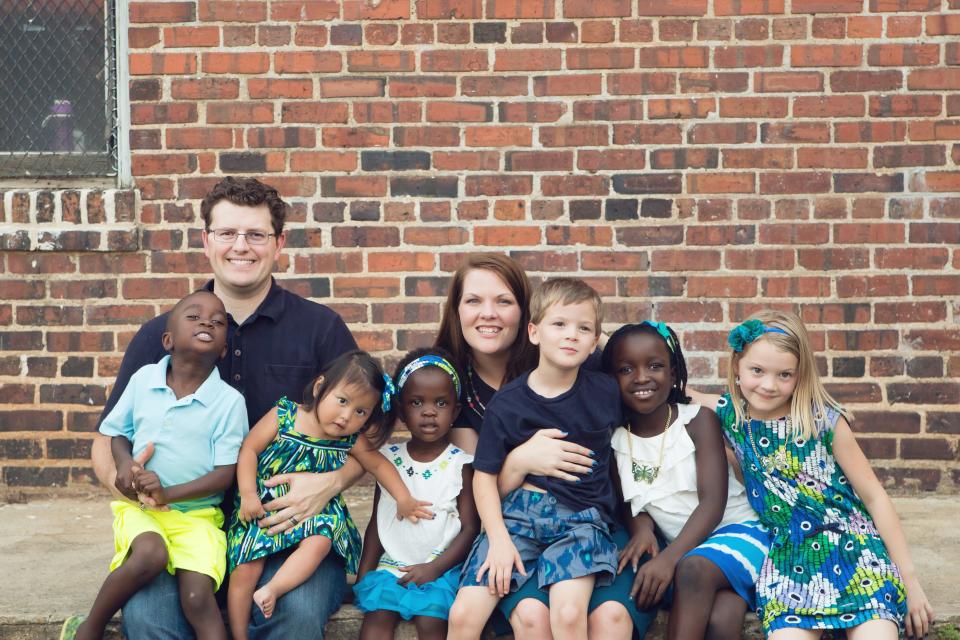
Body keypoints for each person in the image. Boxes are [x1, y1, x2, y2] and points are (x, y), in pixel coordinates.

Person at [90, 176, 361, 639]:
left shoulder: (321, 330)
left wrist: (330, 483)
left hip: (286, 524)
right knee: (150, 620)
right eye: (227, 233)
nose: (242, 246)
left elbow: (367, 433)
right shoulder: (162, 334)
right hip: (182, 524)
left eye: (256, 234)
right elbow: (106, 440)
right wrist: (133, 489)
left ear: (278, 244)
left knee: (292, 615)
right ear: (206, 241)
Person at [435, 254, 653, 639]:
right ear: (534, 332)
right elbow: (483, 478)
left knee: (569, 615)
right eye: (559, 325)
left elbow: (659, 401)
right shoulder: (506, 403)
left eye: (583, 329)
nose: (570, 334)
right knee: (465, 613)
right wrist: (498, 538)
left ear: (594, 342)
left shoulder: (604, 390)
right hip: (516, 519)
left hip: (581, 518)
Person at [697, 310, 934, 639]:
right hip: (790, 557)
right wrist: (601, 340)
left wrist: (911, 582)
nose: (768, 384)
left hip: (856, 549)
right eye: (757, 370)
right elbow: (670, 383)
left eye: (784, 374)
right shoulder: (732, 414)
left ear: (800, 375)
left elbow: (875, 497)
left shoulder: (823, 421)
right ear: (736, 365)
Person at [62, 291, 248, 640]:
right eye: (193, 317)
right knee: (150, 554)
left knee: (197, 599)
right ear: (168, 340)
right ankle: (89, 628)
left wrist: (169, 492)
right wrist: (124, 466)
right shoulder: (144, 380)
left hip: (198, 519)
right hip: (143, 512)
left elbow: (225, 475)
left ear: (224, 350)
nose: (207, 321)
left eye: (218, 321)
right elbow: (117, 433)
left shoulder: (229, 402)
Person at [227, 351, 431, 639]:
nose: (347, 416)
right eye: (343, 401)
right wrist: (248, 493)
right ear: (320, 386)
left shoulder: (350, 439)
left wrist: (403, 498)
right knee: (245, 567)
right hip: (264, 506)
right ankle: (238, 635)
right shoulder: (285, 415)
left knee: (320, 541)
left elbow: (377, 464)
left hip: (317, 512)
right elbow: (249, 449)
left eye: (360, 411)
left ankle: (274, 588)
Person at [603, 321, 771, 639]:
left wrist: (669, 558)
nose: (641, 377)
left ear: (674, 372)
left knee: (691, 570)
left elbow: (713, 503)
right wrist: (641, 530)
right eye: (626, 369)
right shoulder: (615, 440)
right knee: (721, 620)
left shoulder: (696, 422)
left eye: (655, 366)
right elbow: (628, 499)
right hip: (693, 553)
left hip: (738, 534)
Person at [353, 348, 480, 640]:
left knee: (431, 619)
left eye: (440, 403)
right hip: (392, 565)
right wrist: (364, 573)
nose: (429, 411)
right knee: (376, 619)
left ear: (455, 411)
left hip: (439, 567)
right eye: (416, 402)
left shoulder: (461, 464)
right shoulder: (388, 459)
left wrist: (434, 568)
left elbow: (471, 527)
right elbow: (377, 521)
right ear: (401, 410)